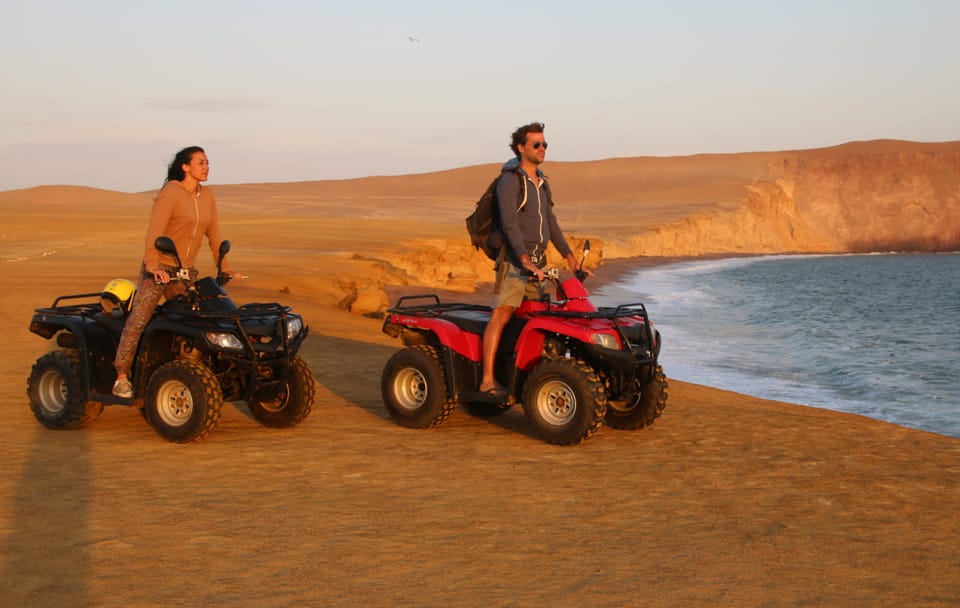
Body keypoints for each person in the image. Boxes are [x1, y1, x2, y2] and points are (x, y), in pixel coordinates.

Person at [112, 146, 243, 398]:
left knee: (197, 319)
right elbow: (155, 232)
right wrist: (152, 265)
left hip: (184, 272)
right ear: (185, 166)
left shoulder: (208, 196)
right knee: (139, 318)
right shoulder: (171, 193)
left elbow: (214, 233)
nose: (206, 167)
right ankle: (122, 376)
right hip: (159, 268)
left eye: (207, 163)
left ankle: (189, 372)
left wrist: (224, 267)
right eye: (201, 163)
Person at [479, 122, 590, 397]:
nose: (542, 149)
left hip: (537, 265)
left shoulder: (541, 183)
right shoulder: (510, 180)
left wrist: (570, 258)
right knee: (501, 315)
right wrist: (524, 259)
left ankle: (528, 377)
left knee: (537, 317)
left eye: (545, 144)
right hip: (514, 263)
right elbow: (510, 223)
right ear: (521, 148)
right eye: (536, 145)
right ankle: (487, 380)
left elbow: (550, 223)